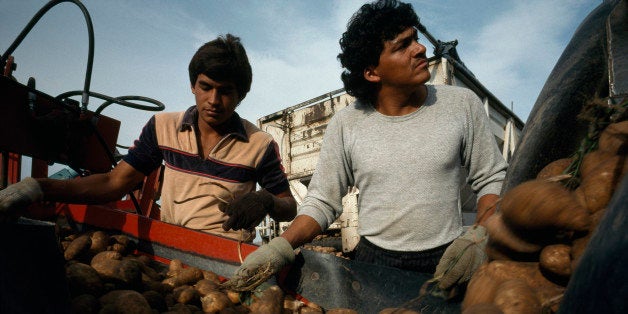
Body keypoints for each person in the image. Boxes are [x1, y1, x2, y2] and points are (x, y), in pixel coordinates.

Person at [225, 0, 507, 292]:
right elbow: (322, 201)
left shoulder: (461, 105)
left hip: (446, 258)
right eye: (402, 46)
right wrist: (280, 248)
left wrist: (478, 236)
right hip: (374, 264)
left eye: (415, 39)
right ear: (373, 73)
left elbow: (491, 179)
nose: (420, 49)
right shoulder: (347, 123)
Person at [0, 34, 297, 242]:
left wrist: (266, 200)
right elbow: (114, 183)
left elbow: (289, 206)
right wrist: (38, 187)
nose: (214, 100)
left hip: (232, 255)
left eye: (226, 91)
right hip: (173, 247)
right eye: (206, 87)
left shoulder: (259, 144)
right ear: (193, 85)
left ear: (241, 95)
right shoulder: (163, 127)